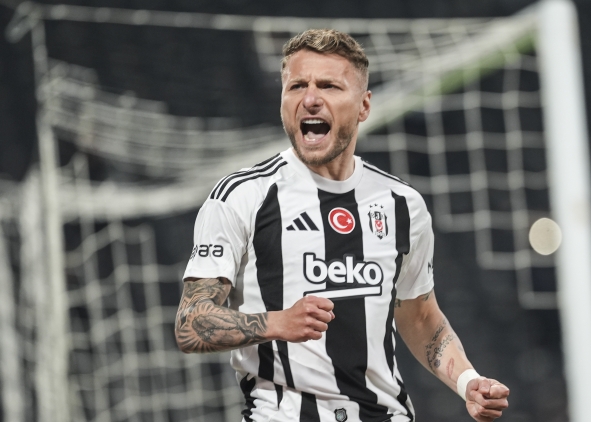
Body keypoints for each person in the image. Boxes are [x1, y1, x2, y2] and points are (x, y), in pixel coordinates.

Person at [175, 28, 510, 422]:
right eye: (296, 86)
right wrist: (277, 322)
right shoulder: (243, 196)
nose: (310, 99)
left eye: (329, 86)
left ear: (364, 105)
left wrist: (468, 381)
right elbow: (191, 323)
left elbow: (420, 316)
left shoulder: (403, 205)